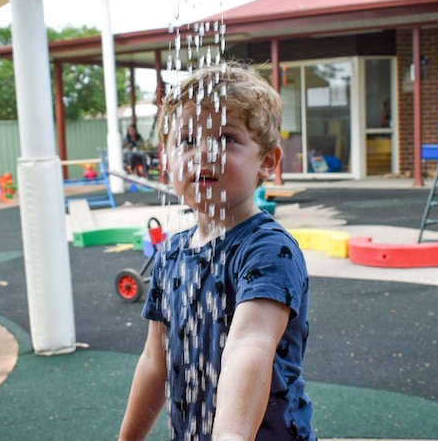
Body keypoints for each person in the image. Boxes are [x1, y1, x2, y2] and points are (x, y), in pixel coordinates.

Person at [118, 63, 314, 441]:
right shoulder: (171, 253)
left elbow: (250, 346)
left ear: (268, 162)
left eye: (225, 138)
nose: (204, 153)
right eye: (187, 140)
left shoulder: (266, 249)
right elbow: (155, 363)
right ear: (166, 163)